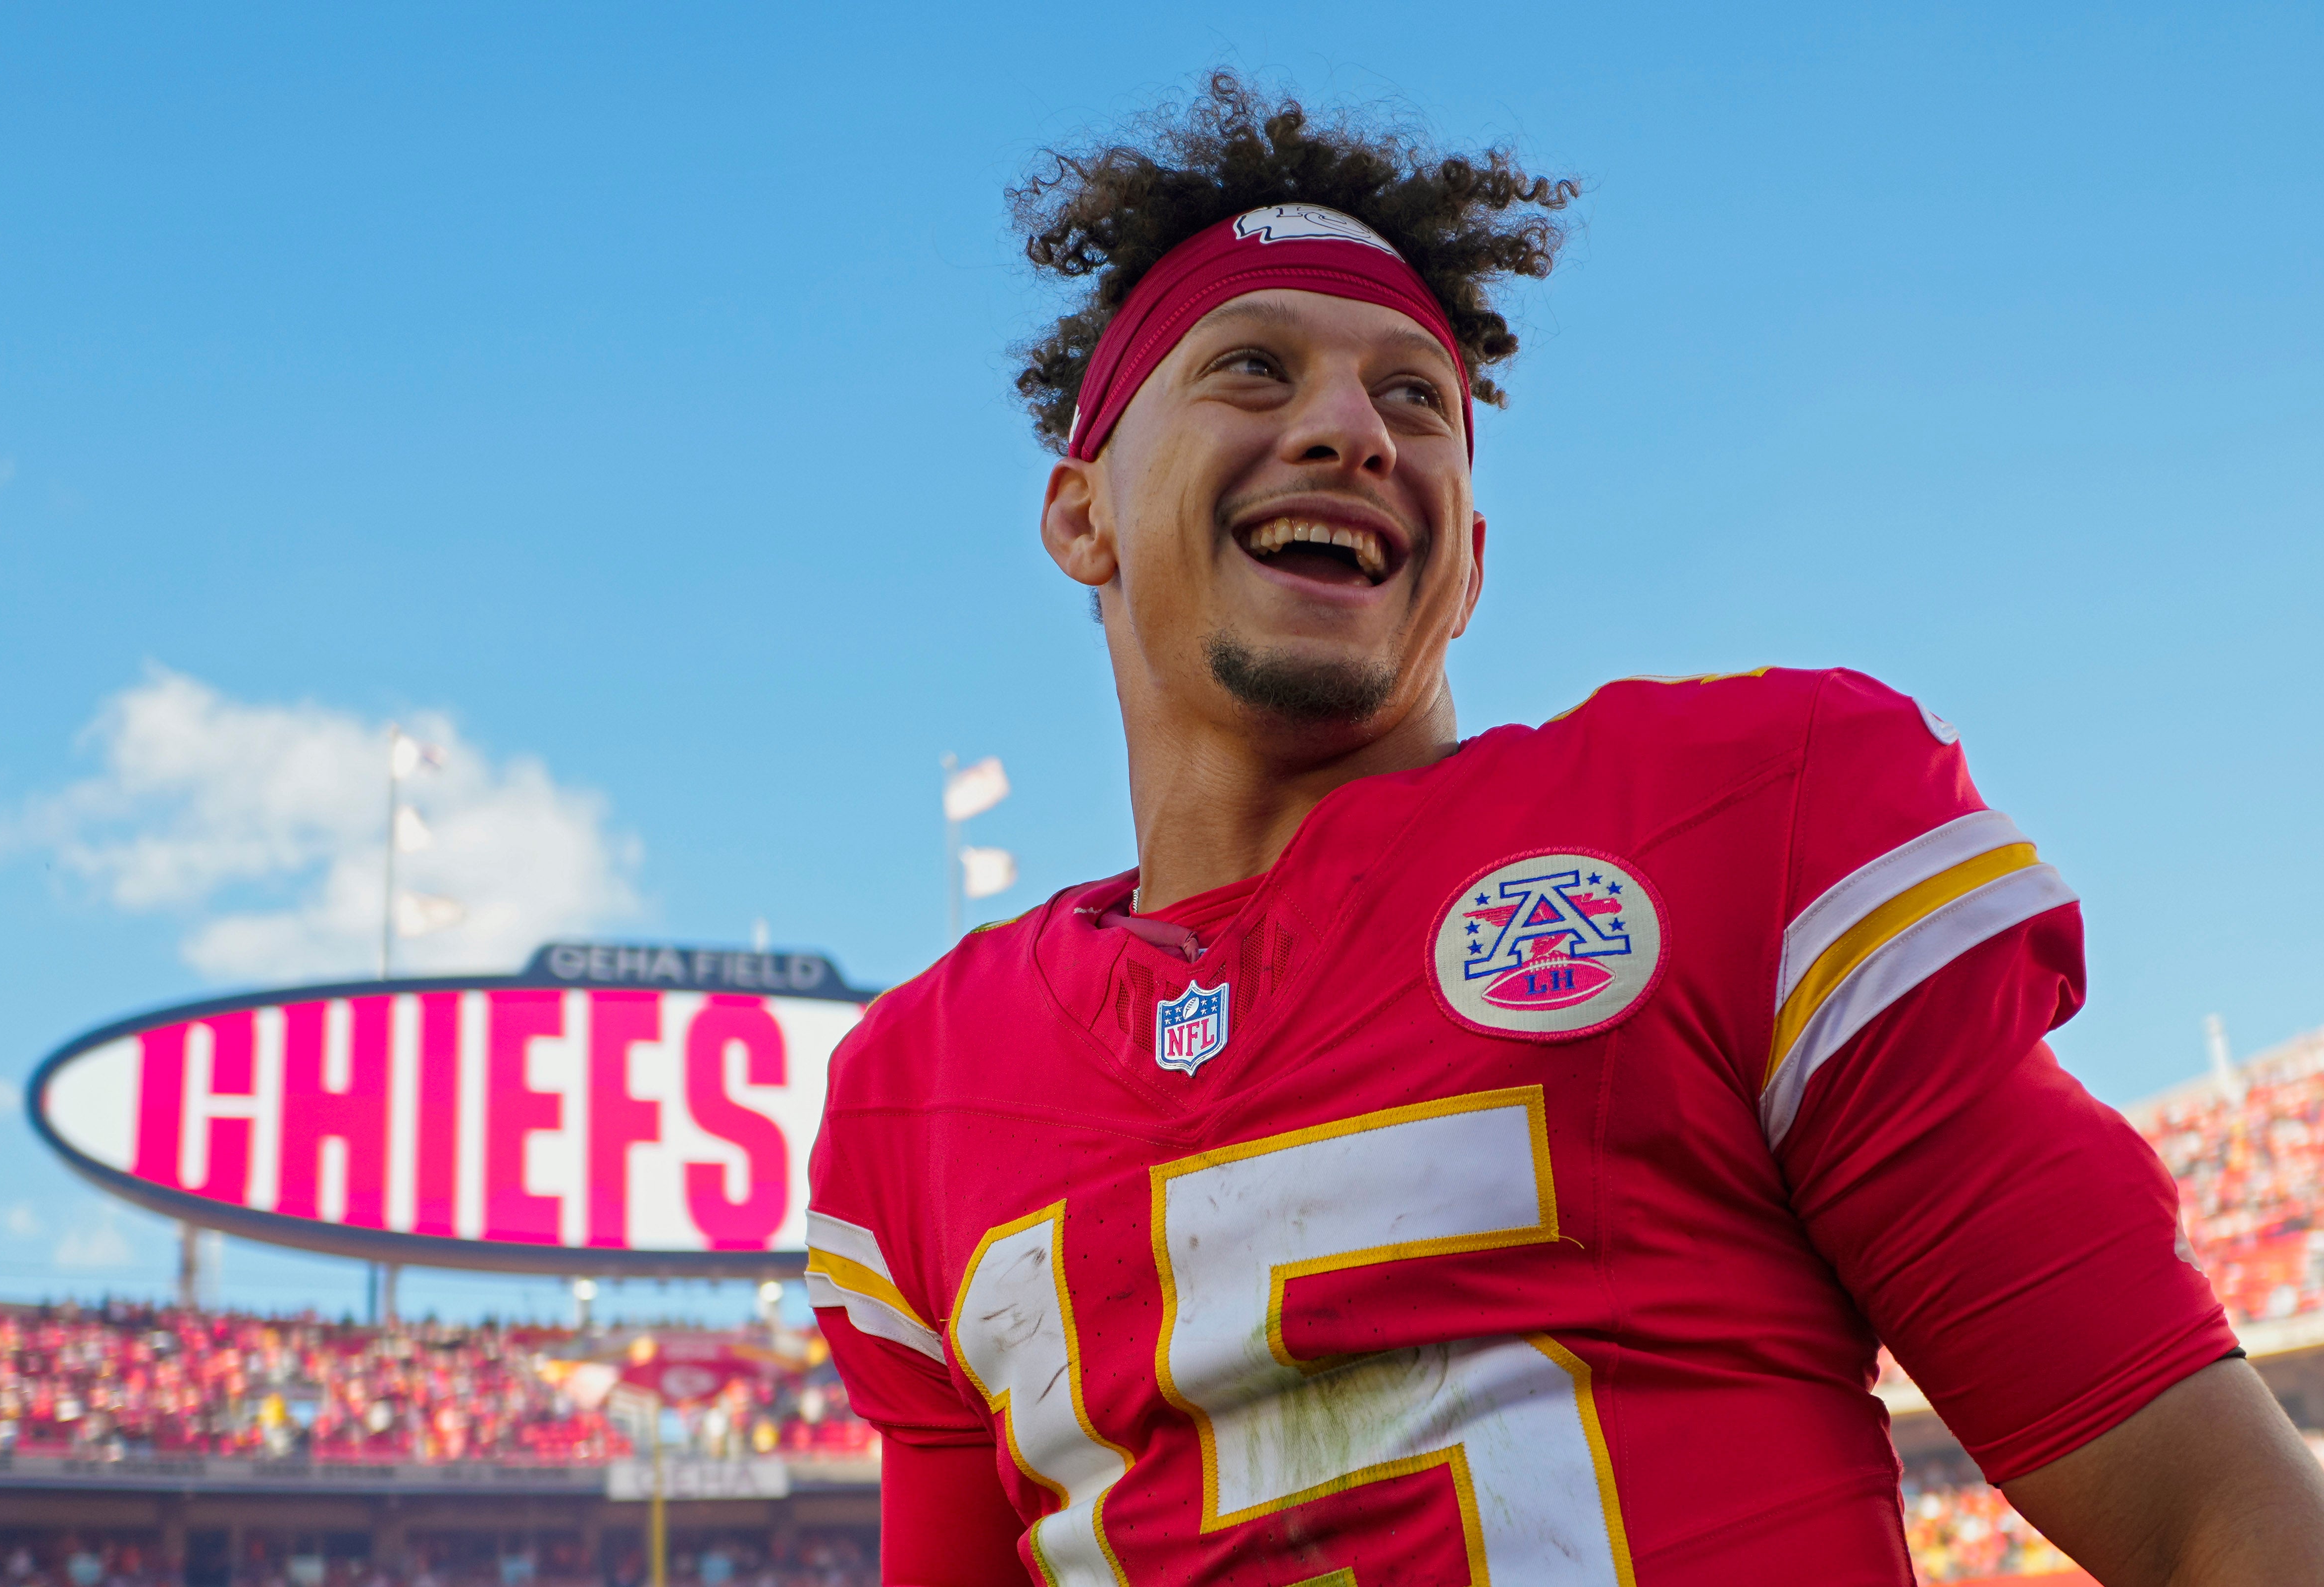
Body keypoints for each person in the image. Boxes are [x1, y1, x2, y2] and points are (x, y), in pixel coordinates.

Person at [803, 73, 2324, 1585]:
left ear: (1463, 562)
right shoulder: (913, 1098)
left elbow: (2213, 1519)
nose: (1348, 428)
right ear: (1081, 517)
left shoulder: (1745, 819)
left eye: (1415, 396)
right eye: (1253, 371)